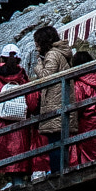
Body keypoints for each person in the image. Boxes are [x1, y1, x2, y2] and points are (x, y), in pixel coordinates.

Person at [0, 44, 40, 183]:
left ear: (1, 58)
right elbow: (33, 104)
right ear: (19, 60)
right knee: (17, 169)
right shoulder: (22, 79)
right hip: (19, 129)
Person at [31, 23, 71, 178]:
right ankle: (59, 170)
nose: (35, 46)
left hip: (55, 104)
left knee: (55, 143)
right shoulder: (59, 53)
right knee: (58, 142)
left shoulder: (52, 55)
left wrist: (38, 66)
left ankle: (57, 173)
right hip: (60, 101)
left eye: (37, 42)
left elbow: (47, 77)